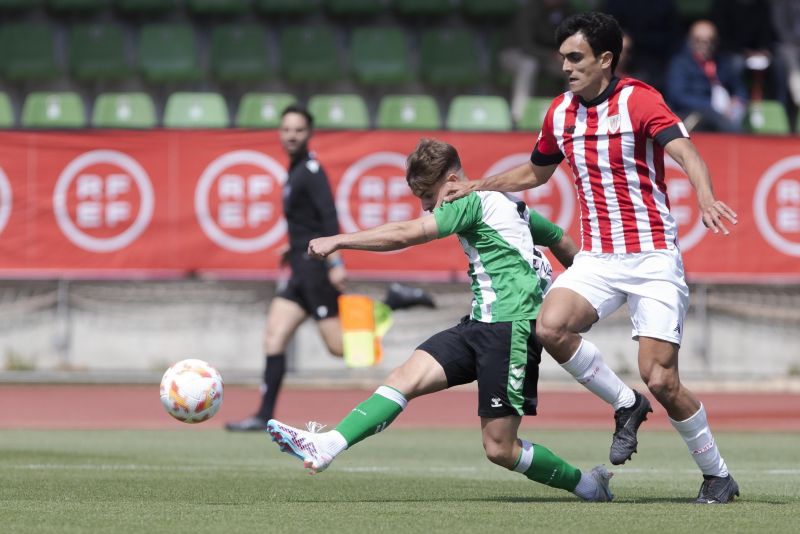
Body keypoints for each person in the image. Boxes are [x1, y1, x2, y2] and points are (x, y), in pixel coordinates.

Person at [442, 12, 740, 504]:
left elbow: (686, 152)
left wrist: (705, 196)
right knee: (550, 326)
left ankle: (717, 474)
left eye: (575, 57)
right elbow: (537, 174)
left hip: (651, 258)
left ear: (606, 59)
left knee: (662, 379)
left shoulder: (640, 100)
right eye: (562, 57)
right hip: (598, 257)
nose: (565, 66)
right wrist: (478, 183)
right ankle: (625, 405)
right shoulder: (560, 113)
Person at [264, 139, 614, 503]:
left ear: (451, 180)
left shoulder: (469, 200)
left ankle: (588, 486)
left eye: (430, 195)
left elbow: (407, 234)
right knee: (404, 378)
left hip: (511, 329)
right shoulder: (506, 200)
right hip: (481, 323)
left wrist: (340, 241)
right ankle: (327, 445)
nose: (427, 206)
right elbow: (559, 237)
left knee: (499, 448)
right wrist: (584, 284)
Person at [226, 105, 434, 432]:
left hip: (314, 270)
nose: (291, 135)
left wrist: (336, 262)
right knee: (274, 337)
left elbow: (327, 217)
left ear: (309, 134)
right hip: (299, 267)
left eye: (298, 130)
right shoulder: (295, 170)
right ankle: (262, 415)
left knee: (341, 348)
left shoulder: (310, 171)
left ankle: (393, 301)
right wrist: (291, 247)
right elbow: (303, 221)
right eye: (286, 130)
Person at [666, 20, 748, 132]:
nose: (705, 46)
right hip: (692, 114)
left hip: (725, 113)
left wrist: (737, 101)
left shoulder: (723, 63)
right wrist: (712, 105)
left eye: (710, 41)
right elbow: (677, 96)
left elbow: (739, 88)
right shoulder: (680, 64)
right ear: (690, 41)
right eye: (699, 41)